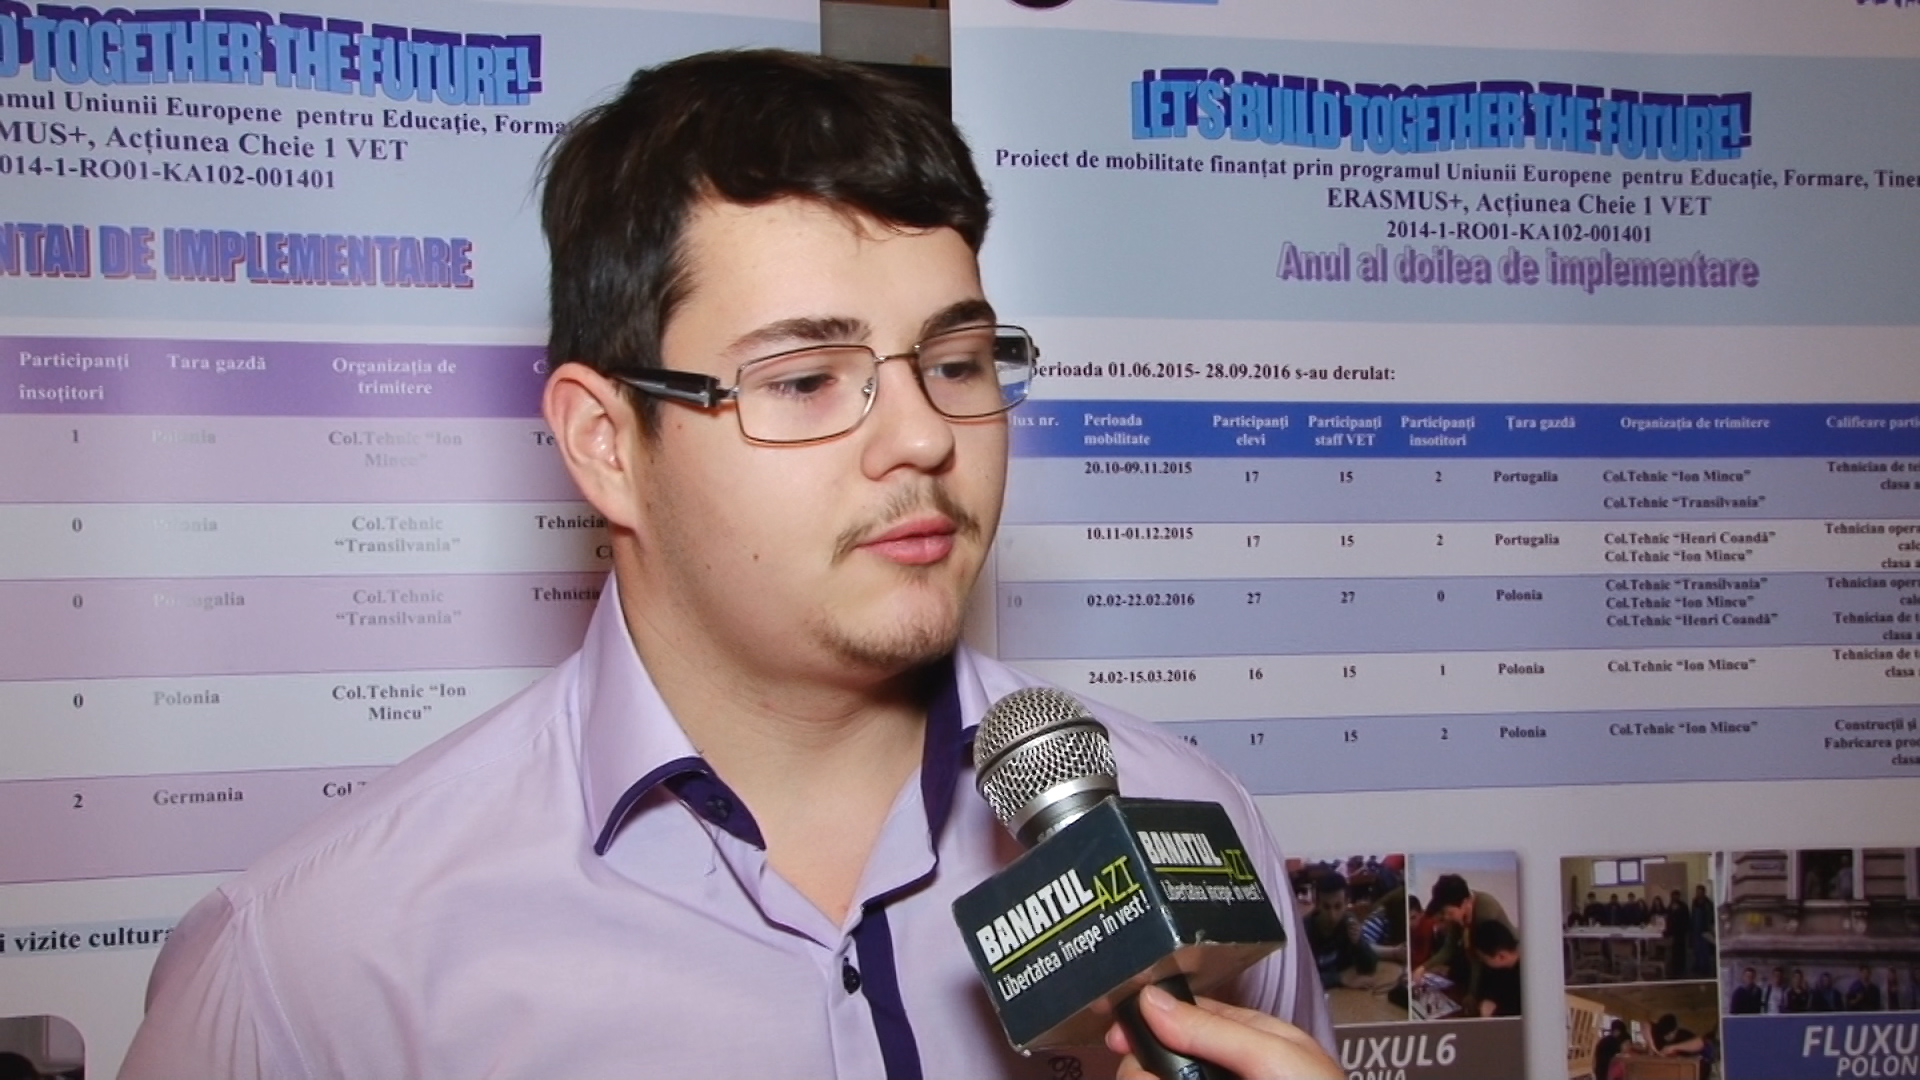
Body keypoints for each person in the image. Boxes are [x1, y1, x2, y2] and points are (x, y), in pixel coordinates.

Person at [116, 49, 1337, 1080]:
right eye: (804, 381)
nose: (924, 437)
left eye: (956, 363)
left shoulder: (1192, 830)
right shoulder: (310, 971)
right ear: (607, 444)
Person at [1415, 874, 1515, 1016]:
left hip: (1505, 965)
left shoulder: (1485, 908)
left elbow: (1478, 958)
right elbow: (1448, 948)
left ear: (1465, 902)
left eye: (1449, 913)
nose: (1447, 917)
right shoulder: (1458, 914)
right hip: (1485, 961)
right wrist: (1423, 968)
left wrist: (1472, 994)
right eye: (1444, 913)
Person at [1305, 872, 1379, 990]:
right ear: (1317, 904)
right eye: (1326, 907)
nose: (1332, 916)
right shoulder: (1304, 931)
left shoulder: (1348, 923)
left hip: (1343, 994)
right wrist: (1339, 978)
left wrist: (1358, 942)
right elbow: (1302, 978)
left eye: (1338, 906)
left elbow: (1370, 967)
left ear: (1346, 903)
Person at [1466, 920, 1522, 1018]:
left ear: (1501, 956)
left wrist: (1495, 1011)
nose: (1481, 961)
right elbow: (1484, 987)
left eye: (1483, 958)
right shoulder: (1495, 966)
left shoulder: (1529, 975)